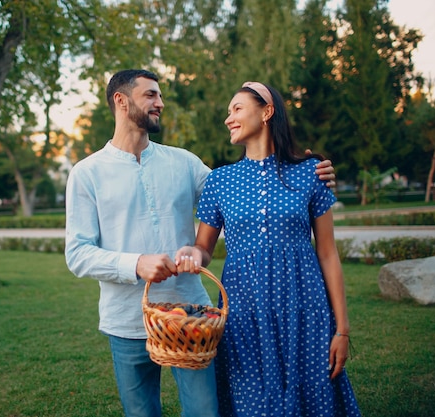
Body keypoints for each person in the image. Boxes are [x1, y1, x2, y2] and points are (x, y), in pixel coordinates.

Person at [64, 70, 336, 417]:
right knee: (141, 413)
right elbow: (78, 254)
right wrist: (136, 263)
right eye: (150, 95)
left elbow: (247, 191)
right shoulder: (87, 173)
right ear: (121, 100)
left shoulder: (184, 163)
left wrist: (305, 173)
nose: (160, 103)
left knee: (205, 412)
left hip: (194, 319)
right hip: (127, 321)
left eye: (159, 96)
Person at [175, 81, 361, 416]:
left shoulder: (310, 173)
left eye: (237, 109)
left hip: (304, 310)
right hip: (244, 312)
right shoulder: (220, 180)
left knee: (312, 397)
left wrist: (342, 329)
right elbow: (204, 247)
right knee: (252, 400)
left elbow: (328, 254)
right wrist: (192, 255)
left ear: (267, 112)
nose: (228, 118)